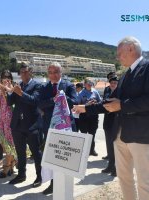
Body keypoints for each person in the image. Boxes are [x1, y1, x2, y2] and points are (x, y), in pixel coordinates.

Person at [74, 36, 149, 200]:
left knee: (145, 183)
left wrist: (123, 105)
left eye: (119, 52)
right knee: (124, 179)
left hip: (141, 136)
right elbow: (109, 103)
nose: (117, 57)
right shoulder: (125, 76)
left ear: (131, 48)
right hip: (120, 135)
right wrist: (86, 108)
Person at [38, 61, 78, 195]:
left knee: (66, 157)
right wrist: (53, 100)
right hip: (49, 128)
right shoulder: (44, 88)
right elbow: (40, 104)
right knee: (52, 157)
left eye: (56, 72)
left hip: (66, 128)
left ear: (61, 73)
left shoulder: (68, 85)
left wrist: (62, 96)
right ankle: (53, 184)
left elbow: (75, 101)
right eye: (50, 72)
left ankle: (65, 186)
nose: (53, 75)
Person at [7, 63, 42, 188]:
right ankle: (21, 175)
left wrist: (20, 93)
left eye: (25, 71)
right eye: (21, 72)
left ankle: (39, 176)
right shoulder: (19, 86)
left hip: (32, 125)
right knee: (20, 152)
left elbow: (35, 101)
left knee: (36, 152)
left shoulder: (37, 85)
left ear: (31, 71)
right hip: (18, 125)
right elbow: (9, 103)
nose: (23, 74)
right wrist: (8, 91)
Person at [0, 70, 17, 178]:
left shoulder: (12, 88)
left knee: (9, 143)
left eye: (9, 76)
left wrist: (5, 92)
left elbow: (11, 104)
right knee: (6, 143)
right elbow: (0, 106)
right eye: (4, 76)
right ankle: (12, 165)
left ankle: (7, 166)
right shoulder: (1, 89)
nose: (6, 78)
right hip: (2, 117)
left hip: (11, 117)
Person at [77, 79, 102, 156]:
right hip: (84, 116)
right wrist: (87, 104)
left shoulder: (95, 92)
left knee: (92, 134)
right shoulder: (81, 93)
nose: (90, 84)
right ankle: (83, 151)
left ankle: (92, 150)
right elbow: (77, 104)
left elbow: (100, 101)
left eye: (91, 83)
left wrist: (96, 102)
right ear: (84, 84)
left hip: (94, 116)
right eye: (88, 83)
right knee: (84, 134)